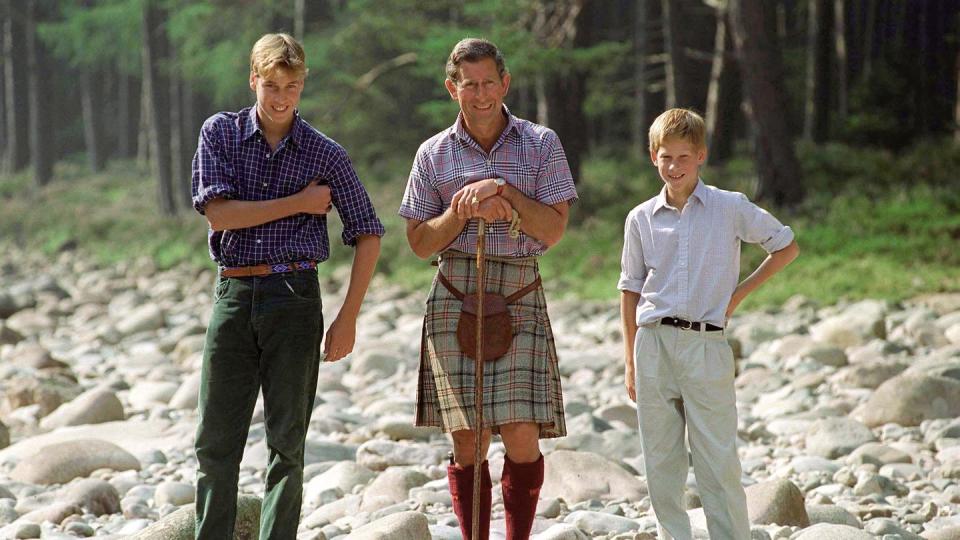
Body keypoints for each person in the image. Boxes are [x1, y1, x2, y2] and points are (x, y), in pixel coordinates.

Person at [190, 33, 384, 539]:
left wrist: (348, 318)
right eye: (271, 84)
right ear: (253, 79)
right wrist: (300, 203)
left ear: (303, 85)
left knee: (287, 445)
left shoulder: (325, 152)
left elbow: (369, 233)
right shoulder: (221, 134)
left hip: (296, 300)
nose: (281, 97)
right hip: (233, 295)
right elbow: (219, 215)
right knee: (215, 444)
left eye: (292, 86)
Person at [399, 38, 577, 539]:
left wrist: (502, 190)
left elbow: (553, 230)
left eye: (488, 83)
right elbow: (417, 242)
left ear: (506, 83)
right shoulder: (432, 153)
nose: (480, 94)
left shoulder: (541, 143)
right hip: (454, 291)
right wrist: (461, 210)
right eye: (468, 84)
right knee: (468, 440)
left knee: (522, 434)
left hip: (519, 291)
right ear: (451, 87)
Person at [619, 108, 800, 539]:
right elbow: (629, 289)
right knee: (661, 461)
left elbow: (786, 247)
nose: (674, 167)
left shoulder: (729, 207)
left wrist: (735, 297)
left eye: (684, 157)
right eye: (666, 157)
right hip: (653, 345)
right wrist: (629, 360)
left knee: (717, 459)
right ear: (652, 156)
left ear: (701, 155)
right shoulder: (640, 218)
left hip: (707, 344)